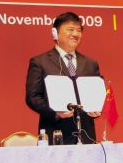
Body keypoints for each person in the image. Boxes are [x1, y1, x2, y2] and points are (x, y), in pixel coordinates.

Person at [26, 12, 101, 144]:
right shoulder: (40, 62)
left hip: (86, 135)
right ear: (55, 33)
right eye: (70, 29)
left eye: (78, 30)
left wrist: (98, 107)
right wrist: (55, 112)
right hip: (55, 133)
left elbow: (97, 93)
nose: (75, 34)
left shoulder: (90, 63)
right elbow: (33, 97)